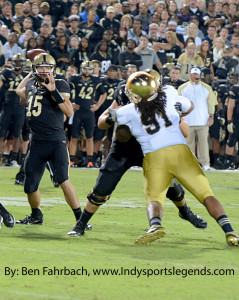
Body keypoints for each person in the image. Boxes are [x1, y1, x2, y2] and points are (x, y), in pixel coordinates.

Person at [67, 69, 208, 237]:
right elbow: (101, 122)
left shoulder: (165, 97)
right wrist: (111, 118)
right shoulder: (124, 93)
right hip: (124, 148)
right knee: (103, 186)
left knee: (170, 183)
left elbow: (185, 131)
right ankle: (81, 224)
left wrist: (177, 115)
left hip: (150, 147)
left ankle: (185, 211)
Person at [111, 71, 238, 246]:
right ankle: (230, 232)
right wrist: (177, 114)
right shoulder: (170, 93)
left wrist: (110, 116)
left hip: (155, 156)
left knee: (154, 198)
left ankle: (156, 225)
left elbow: (103, 122)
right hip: (181, 153)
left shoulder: (128, 110)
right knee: (207, 195)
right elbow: (190, 106)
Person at [15, 53, 91, 230]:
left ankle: (80, 219)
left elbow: (69, 111)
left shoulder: (60, 83)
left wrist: (52, 90)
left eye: (46, 67)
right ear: (34, 69)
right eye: (39, 67)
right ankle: (36, 215)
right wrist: (29, 75)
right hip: (36, 143)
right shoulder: (31, 84)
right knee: (29, 186)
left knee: (63, 180)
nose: (43, 70)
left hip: (55, 142)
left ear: (52, 69)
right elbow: (20, 93)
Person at [178, 67, 217, 171]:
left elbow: (211, 103)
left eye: (197, 74)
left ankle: (205, 164)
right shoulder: (182, 88)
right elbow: (178, 104)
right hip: (187, 122)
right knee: (187, 145)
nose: (196, 76)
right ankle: (188, 164)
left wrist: (211, 116)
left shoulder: (207, 88)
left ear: (200, 75)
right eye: (194, 74)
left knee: (203, 144)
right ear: (190, 75)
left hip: (202, 121)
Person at [0, 53, 27, 167]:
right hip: (7, 106)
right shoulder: (6, 73)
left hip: (20, 108)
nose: (17, 64)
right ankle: (2, 157)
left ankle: (13, 158)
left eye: (19, 62)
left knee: (17, 134)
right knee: (1, 134)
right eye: (15, 62)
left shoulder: (26, 75)